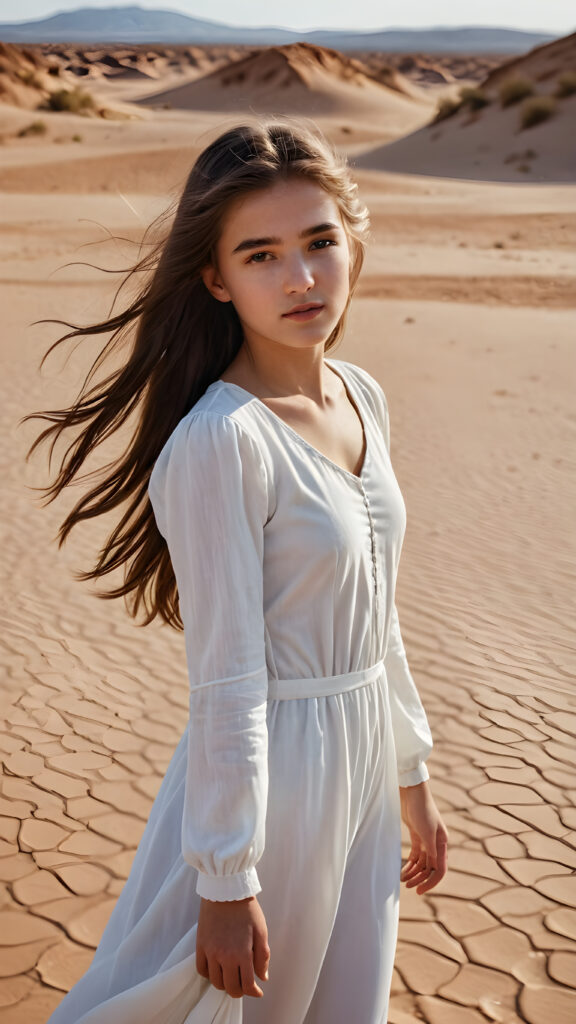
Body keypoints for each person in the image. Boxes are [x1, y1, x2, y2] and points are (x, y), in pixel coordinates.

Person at [25, 117, 449, 1024]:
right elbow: (226, 679)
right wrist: (225, 877)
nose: (300, 278)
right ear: (216, 278)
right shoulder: (222, 442)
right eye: (261, 255)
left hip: (365, 765)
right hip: (275, 787)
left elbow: (379, 614)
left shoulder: (360, 394)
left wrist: (410, 774)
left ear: (352, 244)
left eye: (319, 243)